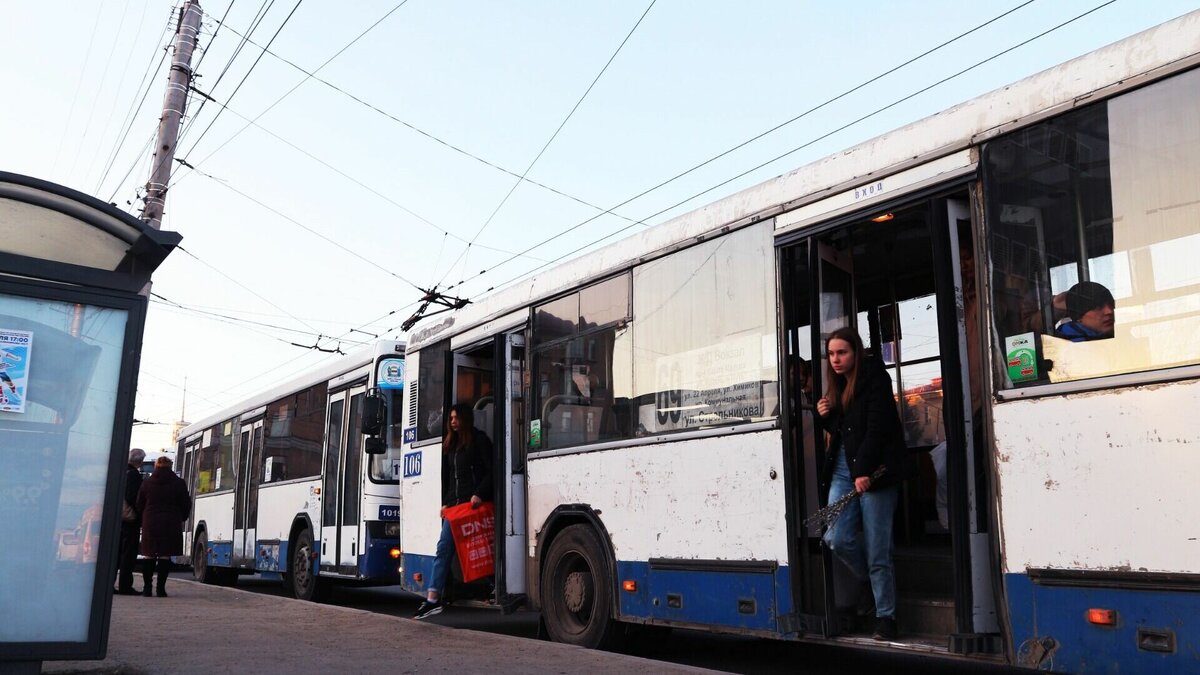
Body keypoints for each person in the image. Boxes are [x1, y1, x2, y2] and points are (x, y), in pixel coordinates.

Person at [816, 327, 907, 641]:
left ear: (856, 352)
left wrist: (864, 470)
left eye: (842, 352)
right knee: (835, 537)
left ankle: (886, 617)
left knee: (877, 548)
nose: (836, 359)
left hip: (875, 471)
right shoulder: (837, 384)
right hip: (844, 468)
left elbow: (878, 428)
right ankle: (872, 583)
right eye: (831, 354)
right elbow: (844, 430)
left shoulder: (875, 378)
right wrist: (826, 416)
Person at [413, 403, 493, 620]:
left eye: (456, 418)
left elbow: (491, 471)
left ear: (465, 419)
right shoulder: (452, 444)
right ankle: (432, 599)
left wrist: (479, 493)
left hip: (473, 507)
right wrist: (447, 504)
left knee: (477, 548)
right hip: (457, 509)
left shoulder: (479, 440)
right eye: (451, 419)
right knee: (444, 549)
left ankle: (491, 586)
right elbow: (451, 480)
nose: (452, 422)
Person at [136, 456, 191, 597]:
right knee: (164, 556)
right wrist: (181, 517)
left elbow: (139, 503)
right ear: (170, 466)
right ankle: (161, 589)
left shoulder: (147, 483)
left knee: (148, 556)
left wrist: (143, 518)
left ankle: (147, 588)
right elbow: (186, 504)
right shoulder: (179, 483)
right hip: (170, 522)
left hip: (150, 522)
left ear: (156, 466)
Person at [114, 448, 146, 595]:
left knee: (116, 552)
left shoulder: (119, 471)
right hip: (129, 520)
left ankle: (110, 584)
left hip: (117, 518)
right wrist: (140, 511)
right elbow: (132, 497)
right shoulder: (133, 475)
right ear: (139, 461)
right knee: (128, 553)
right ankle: (125, 586)